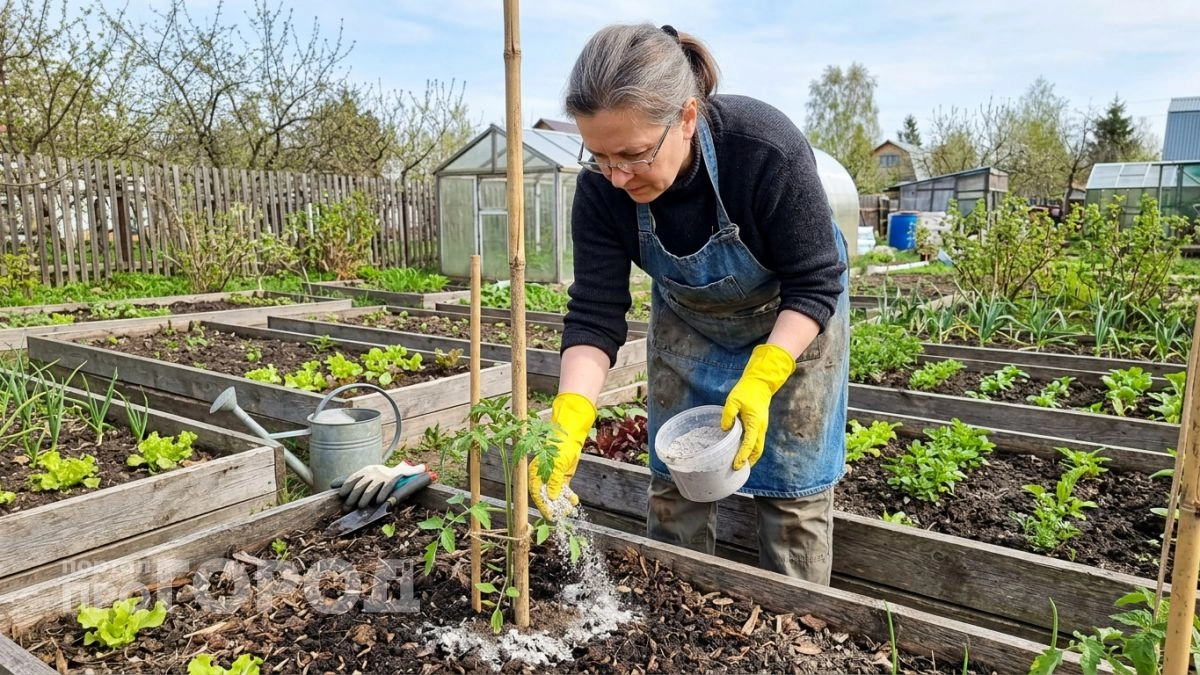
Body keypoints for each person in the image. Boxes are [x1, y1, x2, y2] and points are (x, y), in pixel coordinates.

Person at [527, 22, 850, 584]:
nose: (617, 176)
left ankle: (797, 617)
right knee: (677, 486)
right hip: (689, 325)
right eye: (599, 156)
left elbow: (815, 281)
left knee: (792, 498)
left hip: (791, 321)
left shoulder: (763, 149)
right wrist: (571, 413)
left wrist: (764, 374)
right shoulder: (601, 188)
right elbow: (595, 313)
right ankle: (676, 603)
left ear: (687, 117)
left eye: (634, 155)